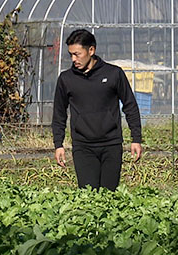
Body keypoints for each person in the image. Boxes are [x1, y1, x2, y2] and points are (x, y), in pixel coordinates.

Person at [52, 29, 143, 191]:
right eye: (71, 54)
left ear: (91, 50)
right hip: (83, 147)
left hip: (111, 145)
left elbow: (130, 106)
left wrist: (136, 138)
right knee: (88, 195)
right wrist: (58, 144)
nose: (73, 59)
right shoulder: (66, 79)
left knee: (109, 196)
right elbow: (59, 113)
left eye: (77, 54)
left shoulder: (114, 74)